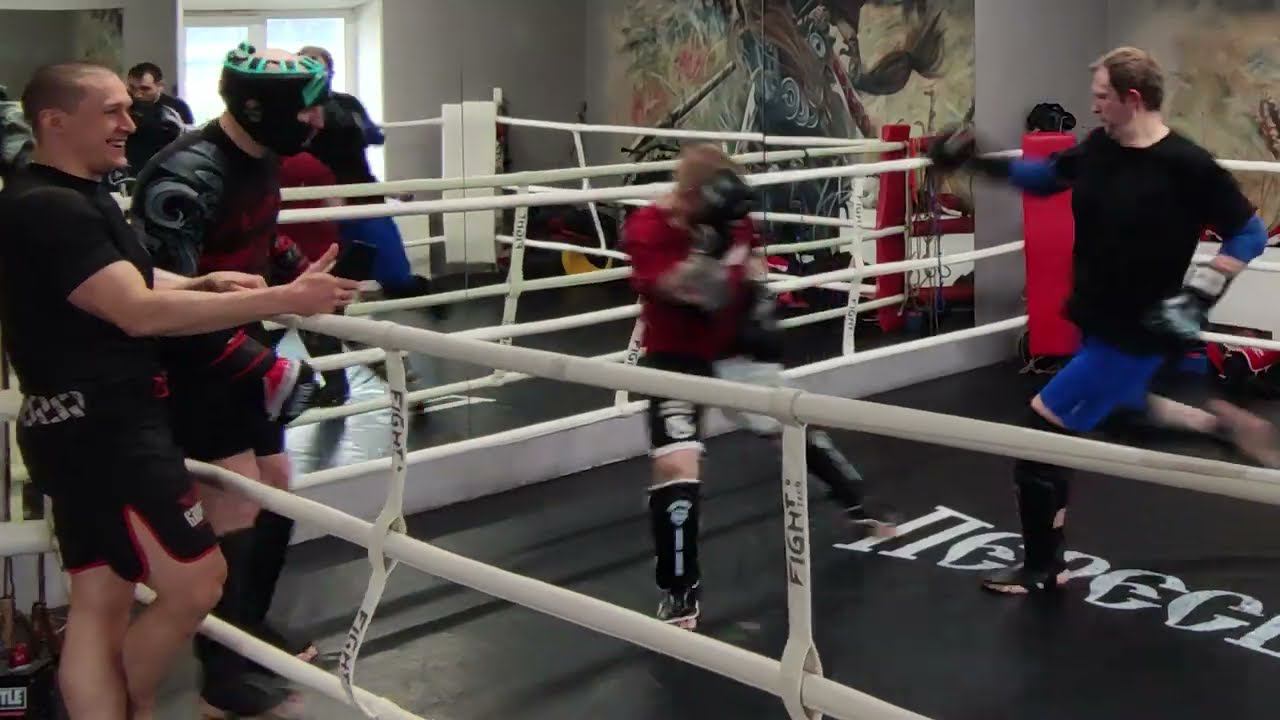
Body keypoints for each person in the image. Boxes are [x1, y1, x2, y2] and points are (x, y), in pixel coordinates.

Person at [0, 61, 356, 720]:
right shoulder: (51, 208)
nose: (130, 122)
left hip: (81, 425)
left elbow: (122, 280)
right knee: (197, 582)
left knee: (101, 602)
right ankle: (132, 704)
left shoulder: (67, 194)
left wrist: (201, 283)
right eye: (111, 111)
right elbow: (135, 311)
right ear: (55, 121)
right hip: (105, 430)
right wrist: (283, 298)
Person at [928, 46, 1280, 595]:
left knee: (1040, 439)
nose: (1092, 106)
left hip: (1135, 330)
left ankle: (1044, 568)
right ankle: (1220, 427)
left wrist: (1200, 291)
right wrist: (974, 161)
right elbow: (1045, 178)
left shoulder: (1186, 164)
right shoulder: (1099, 148)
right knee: (1119, 412)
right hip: (1094, 316)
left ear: (1131, 99)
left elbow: (1249, 234)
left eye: (1101, 97)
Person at [130, 43, 336, 716]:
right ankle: (222, 674)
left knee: (274, 483)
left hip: (238, 337)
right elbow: (164, 298)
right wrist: (262, 364)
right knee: (234, 499)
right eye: (304, 109)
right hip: (188, 357)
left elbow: (255, 239)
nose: (315, 121)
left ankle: (248, 626)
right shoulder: (185, 175)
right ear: (259, 107)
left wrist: (301, 274)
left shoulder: (261, 156)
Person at [624, 143, 896, 629]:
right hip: (675, 355)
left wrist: (760, 306)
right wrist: (709, 246)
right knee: (675, 464)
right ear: (691, 196)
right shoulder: (647, 226)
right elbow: (693, 292)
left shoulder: (735, 218)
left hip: (734, 348)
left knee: (790, 426)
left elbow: (751, 268)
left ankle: (859, 502)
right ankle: (680, 590)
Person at [298, 44, 436, 300]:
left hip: (363, 198)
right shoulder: (292, 114)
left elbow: (373, 139)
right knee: (326, 282)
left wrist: (389, 190)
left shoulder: (347, 104)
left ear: (330, 72)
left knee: (396, 276)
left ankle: (424, 296)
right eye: (305, 66)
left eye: (317, 65)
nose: (312, 71)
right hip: (317, 207)